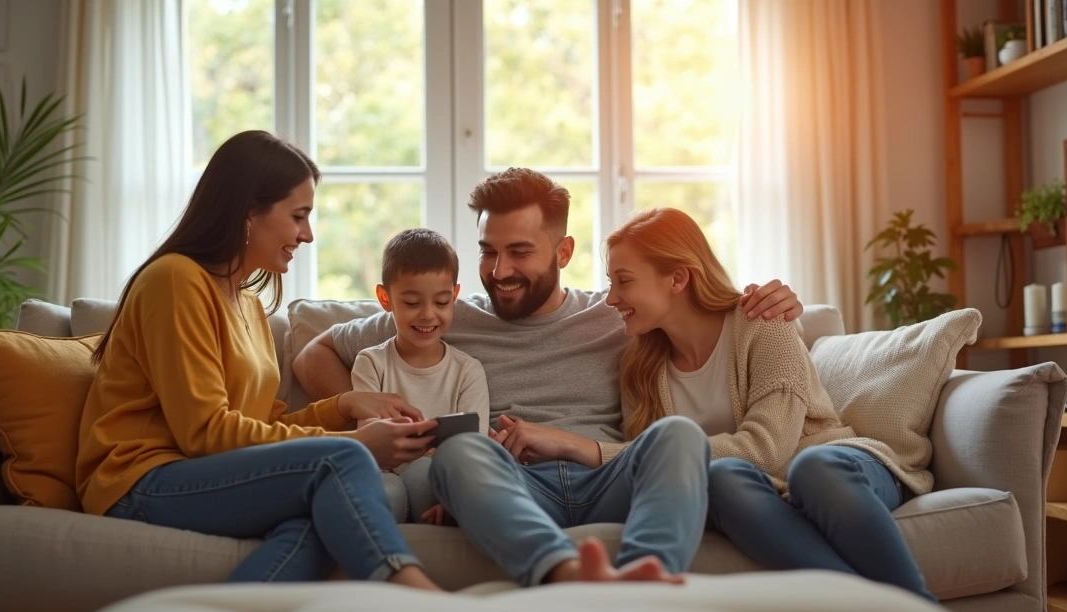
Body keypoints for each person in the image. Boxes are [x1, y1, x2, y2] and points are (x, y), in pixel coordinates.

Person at [293, 168, 805, 585]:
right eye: (488, 251)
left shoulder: (617, 312)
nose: (498, 270)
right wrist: (366, 408)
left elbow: (694, 304)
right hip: (513, 482)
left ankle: (649, 583)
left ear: (563, 253)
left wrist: (769, 303)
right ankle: (561, 573)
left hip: (607, 476)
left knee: (676, 436)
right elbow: (313, 350)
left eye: (519, 252)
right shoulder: (446, 312)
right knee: (460, 451)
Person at [77, 130, 442, 589]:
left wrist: (345, 407)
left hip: (200, 472)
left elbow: (266, 422)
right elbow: (205, 432)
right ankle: (418, 595)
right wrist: (359, 443)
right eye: (298, 216)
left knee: (325, 515)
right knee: (344, 460)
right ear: (250, 211)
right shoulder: (174, 280)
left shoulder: (248, 303)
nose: (307, 235)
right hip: (138, 479)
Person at [603, 207, 935, 601]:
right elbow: (653, 472)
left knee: (812, 469)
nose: (610, 298)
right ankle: (868, 610)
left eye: (623, 281)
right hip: (758, 490)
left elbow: (768, 450)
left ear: (678, 278)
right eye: (610, 283)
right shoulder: (638, 367)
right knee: (722, 478)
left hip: (836, 467)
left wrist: (596, 454)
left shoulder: (761, 321)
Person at [351, 228, 490, 524]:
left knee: (430, 477)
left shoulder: (468, 371)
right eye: (412, 303)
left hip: (441, 476)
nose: (427, 315)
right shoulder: (370, 363)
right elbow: (373, 444)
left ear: (454, 296)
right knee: (385, 490)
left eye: (441, 302)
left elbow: (473, 449)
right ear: (385, 298)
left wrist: (455, 492)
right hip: (384, 474)